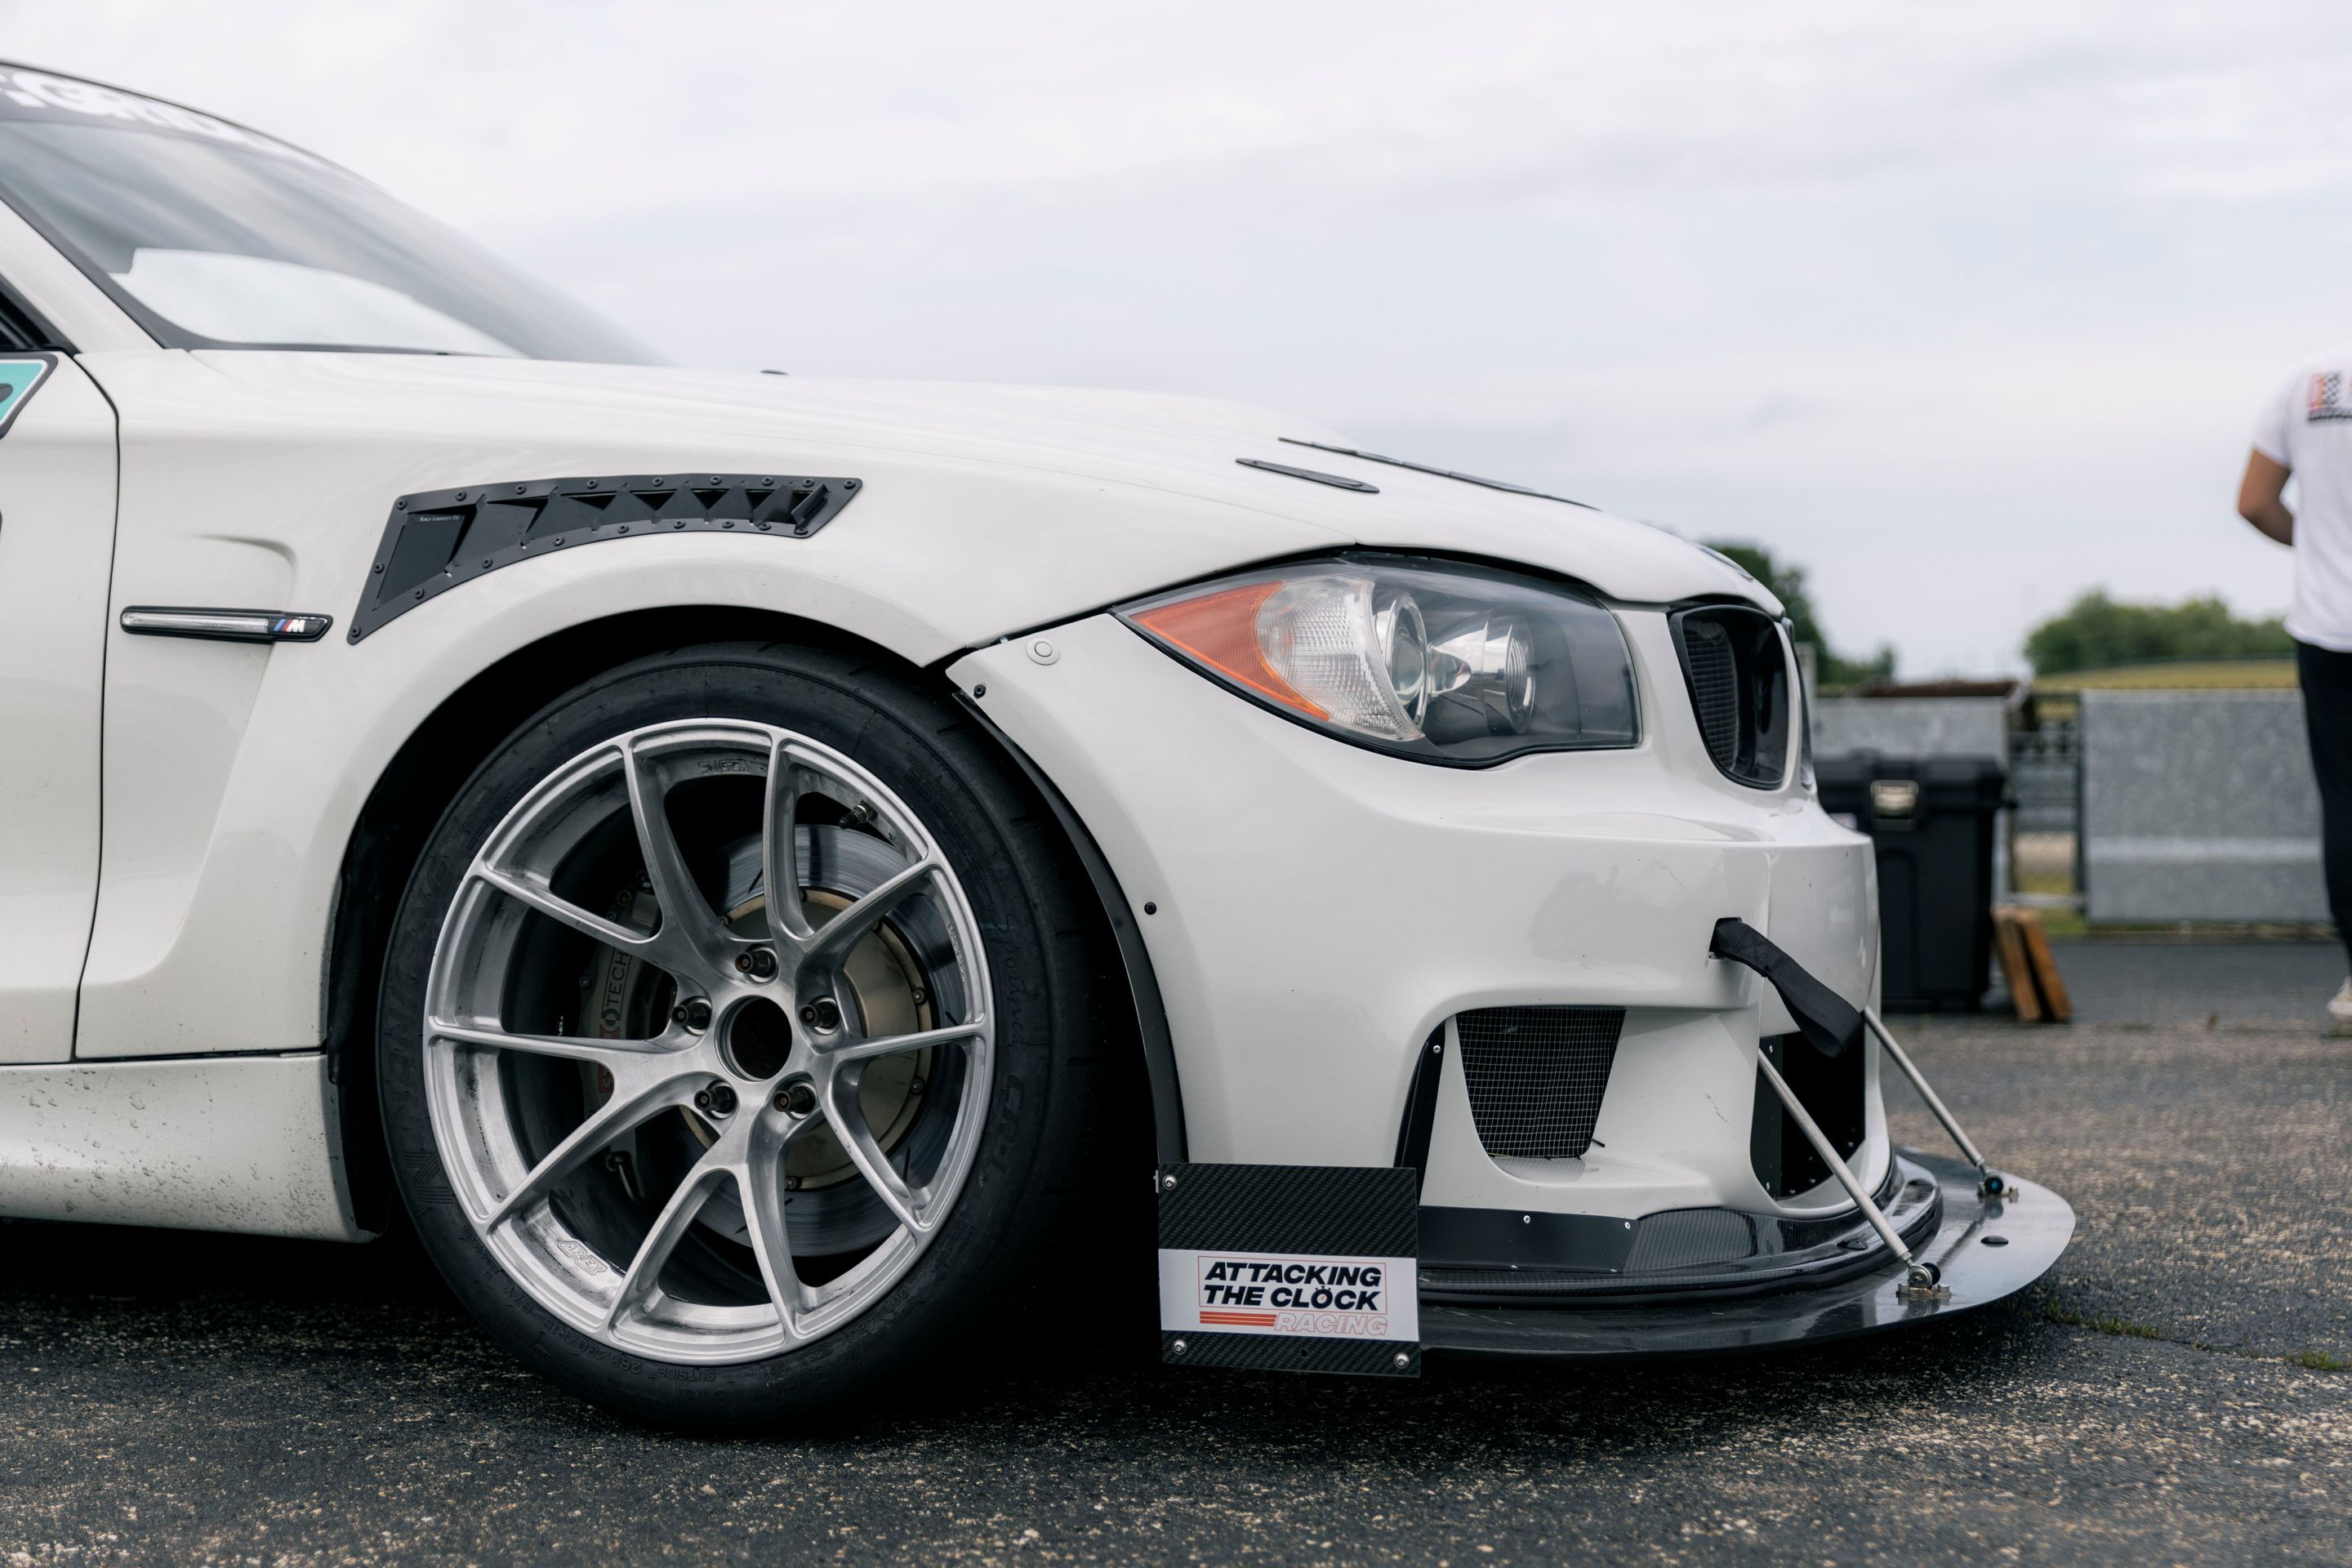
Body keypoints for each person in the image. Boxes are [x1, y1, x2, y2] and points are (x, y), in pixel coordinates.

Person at [2240, 356, 2352, 1027]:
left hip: (2329, 624)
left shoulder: (2310, 386)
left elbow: (2254, 502)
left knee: (2346, 799)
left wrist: (2316, 547)